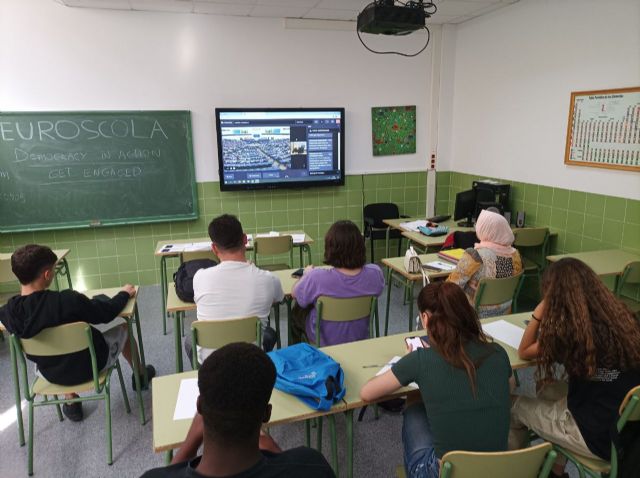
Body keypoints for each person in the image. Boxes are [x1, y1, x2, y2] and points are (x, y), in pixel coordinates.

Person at [360, 282, 512, 478]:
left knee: (414, 410)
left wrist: (406, 363)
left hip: (444, 473)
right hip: (499, 469)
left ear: (425, 318)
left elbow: (366, 393)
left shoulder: (420, 360)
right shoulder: (497, 352)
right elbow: (509, 387)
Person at [511, 258, 640, 478]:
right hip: (624, 431)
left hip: (595, 436)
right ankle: (556, 471)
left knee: (514, 405)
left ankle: (516, 471)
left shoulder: (572, 333)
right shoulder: (625, 320)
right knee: (548, 389)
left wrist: (538, 314)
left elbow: (524, 350)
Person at [0, 244, 155, 422]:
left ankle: (71, 401)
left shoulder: (8, 312)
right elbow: (106, 313)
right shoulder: (67, 301)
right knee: (124, 328)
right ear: (47, 275)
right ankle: (140, 375)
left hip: (50, 373)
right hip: (91, 367)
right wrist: (123, 294)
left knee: (54, 350)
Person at [141, 342, 336, 478]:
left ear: (199, 406)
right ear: (266, 415)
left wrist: (191, 441)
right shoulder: (312, 466)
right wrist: (271, 448)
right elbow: (289, 467)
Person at [185, 214, 284, 364]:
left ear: (214, 248)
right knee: (268, 333)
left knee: (190, 339)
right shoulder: (268, 279)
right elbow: (278, 299)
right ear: (245, 240)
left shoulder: (200, 277)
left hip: (211, 362)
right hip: (251, 357)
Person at [291, 220, 384, 346]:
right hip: (360, 339)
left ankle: (301, 357)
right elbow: (379, 290)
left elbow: (295, 293)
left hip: (323, 342)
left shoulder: (316, 277)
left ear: (331, 248)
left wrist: (306, 274)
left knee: (296, 311)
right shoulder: (375, 274)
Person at [447, 208, 522, 317]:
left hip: (473, 315)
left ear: (485, 229)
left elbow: (451, 286)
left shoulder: (475, 255)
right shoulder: (515, 255)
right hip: (504, 313)